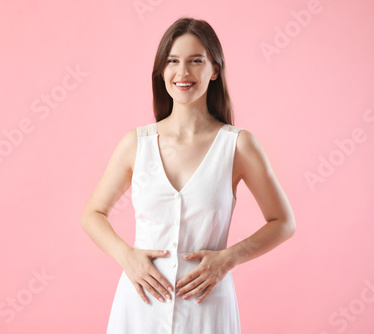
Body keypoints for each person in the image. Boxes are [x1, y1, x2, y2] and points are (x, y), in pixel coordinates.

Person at [81, 16, 296, 334]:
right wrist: (127, 257)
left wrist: (229, 258)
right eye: (173, 61)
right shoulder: (136, 144)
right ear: (161, 71)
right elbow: (93, 214)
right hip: (140, 306)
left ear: (215, 69)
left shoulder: (238, 145)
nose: (183, 73)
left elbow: (284, 222)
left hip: (206, 306)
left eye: (196, 61)